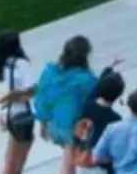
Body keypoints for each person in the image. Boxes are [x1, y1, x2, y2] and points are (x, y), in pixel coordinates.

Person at [32, 35, 121, 174]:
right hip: (74, 128)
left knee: (68, 156)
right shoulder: (86, 79)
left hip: (54, 125)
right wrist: (109, 69)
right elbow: (98, 91)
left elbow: (42, 99)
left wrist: (43, 123)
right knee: (70, 159)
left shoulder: (50, 73)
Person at [0, 32, 34, 174]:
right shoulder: (20, 64)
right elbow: (29, 90)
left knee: (10, 157)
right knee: (17, 160)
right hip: (20, 115)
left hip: (5, 115)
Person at [70, 69, 126, 171]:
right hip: (100, 165)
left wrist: (108, 70)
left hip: (82, 158)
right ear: (118, 96)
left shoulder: (88, 103)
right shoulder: (114, 119)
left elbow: (97, 87)